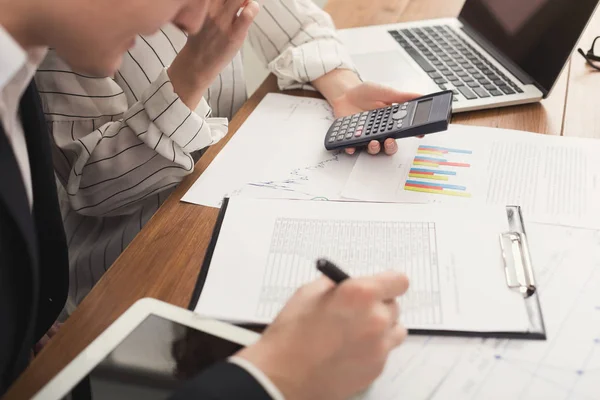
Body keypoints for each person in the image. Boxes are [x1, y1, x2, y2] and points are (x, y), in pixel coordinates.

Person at [0, 0, 411, 398]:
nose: (197, 18)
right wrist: (193, 69)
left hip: (222, 221)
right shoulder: (54, 46)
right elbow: (90, 186)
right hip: (134, 264)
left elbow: (297, 20)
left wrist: (342, 87)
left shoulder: (18, 69)